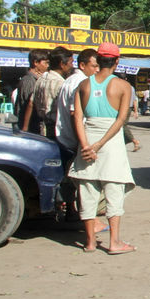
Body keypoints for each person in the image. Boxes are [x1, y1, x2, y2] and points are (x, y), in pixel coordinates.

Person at [68, 43, 136, 254]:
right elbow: (120, 120)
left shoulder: (83, 85)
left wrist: (87, 145)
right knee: (114, 190)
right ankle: (114, 242)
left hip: (87, 139)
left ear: (98, 59)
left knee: (87, 191)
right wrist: (99, 144)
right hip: (110, 143)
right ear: (117, 61)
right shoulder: (123, 86)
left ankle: (89, 242)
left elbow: (78, 117)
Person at [55, 48, 103, 226]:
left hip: (65, 138)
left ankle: (73, 213)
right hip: (75, 140)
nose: (97, 70)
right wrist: (83, 145)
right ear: (82, 65)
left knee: (72, 181)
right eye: (94, 66)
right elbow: (76, 115)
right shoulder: (82, 82)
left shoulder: (70, 80)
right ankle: (89, 221)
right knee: (85, 183)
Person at [26, 46, 75, 138]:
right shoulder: (61, 84)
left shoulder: (41, 79)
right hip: (57, 130)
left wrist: (25, 129)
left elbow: (31, 103)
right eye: (71, 62)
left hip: (41, 127)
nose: (72, 66)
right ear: (62, 64)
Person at [15, 48, 49, 133]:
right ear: (36, 63)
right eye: (46, 63)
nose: (47, 66)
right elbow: (29, 105)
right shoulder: (29, 81)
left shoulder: (37, 80)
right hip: (29, 128)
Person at [121, 82, 141, 152]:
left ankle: (134, 141)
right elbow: (134, 100)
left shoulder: (121, 85)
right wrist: (135, 111)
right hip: (129, 108)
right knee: (122, 125)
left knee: (122, 125)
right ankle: (123, 143)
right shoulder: (132, 87)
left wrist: (135, 111)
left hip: (123, 108)